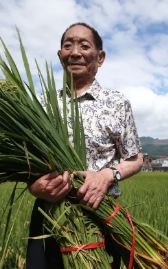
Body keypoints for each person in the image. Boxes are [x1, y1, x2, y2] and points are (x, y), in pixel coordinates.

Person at [26, 22, 143, 269]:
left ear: (100, 58)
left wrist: (106, 176)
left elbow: (135, 158)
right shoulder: (41, 105)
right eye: (68, 45)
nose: (75, 52)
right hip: (50, 215)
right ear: (60, 56)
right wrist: (34, 186)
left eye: (84, 45)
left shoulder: (117, 103)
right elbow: (24, 160)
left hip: (100, 213)